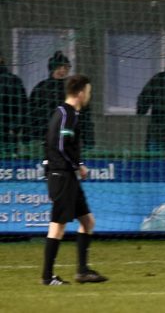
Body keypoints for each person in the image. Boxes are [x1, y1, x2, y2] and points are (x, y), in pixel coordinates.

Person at [42, 74, 107, 285]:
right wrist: (77, 165)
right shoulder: (67, 114)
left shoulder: (62, 113)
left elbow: (50, 145)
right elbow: (61, 146)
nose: (88, 95)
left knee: (87, 221)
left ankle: (82, 271)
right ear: (80, 93)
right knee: (57, 226)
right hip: (63, 176)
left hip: (64, 175)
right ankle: (47, 277)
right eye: (88, 92)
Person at [28, 51, 94, 151]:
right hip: (45, 140)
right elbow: (31, 115)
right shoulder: (41, 89)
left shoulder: (74, 89)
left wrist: (88, 140)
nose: (62, 70)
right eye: (59, 67)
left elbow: (85, 116)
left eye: (66, 67)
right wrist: (30, 138)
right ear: (52, 69)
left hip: (70, 139)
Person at [0, 55, 27, 157]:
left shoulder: (13, 80)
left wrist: (15, 128)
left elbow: (22, 105)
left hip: (8, 137)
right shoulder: (13, 80)